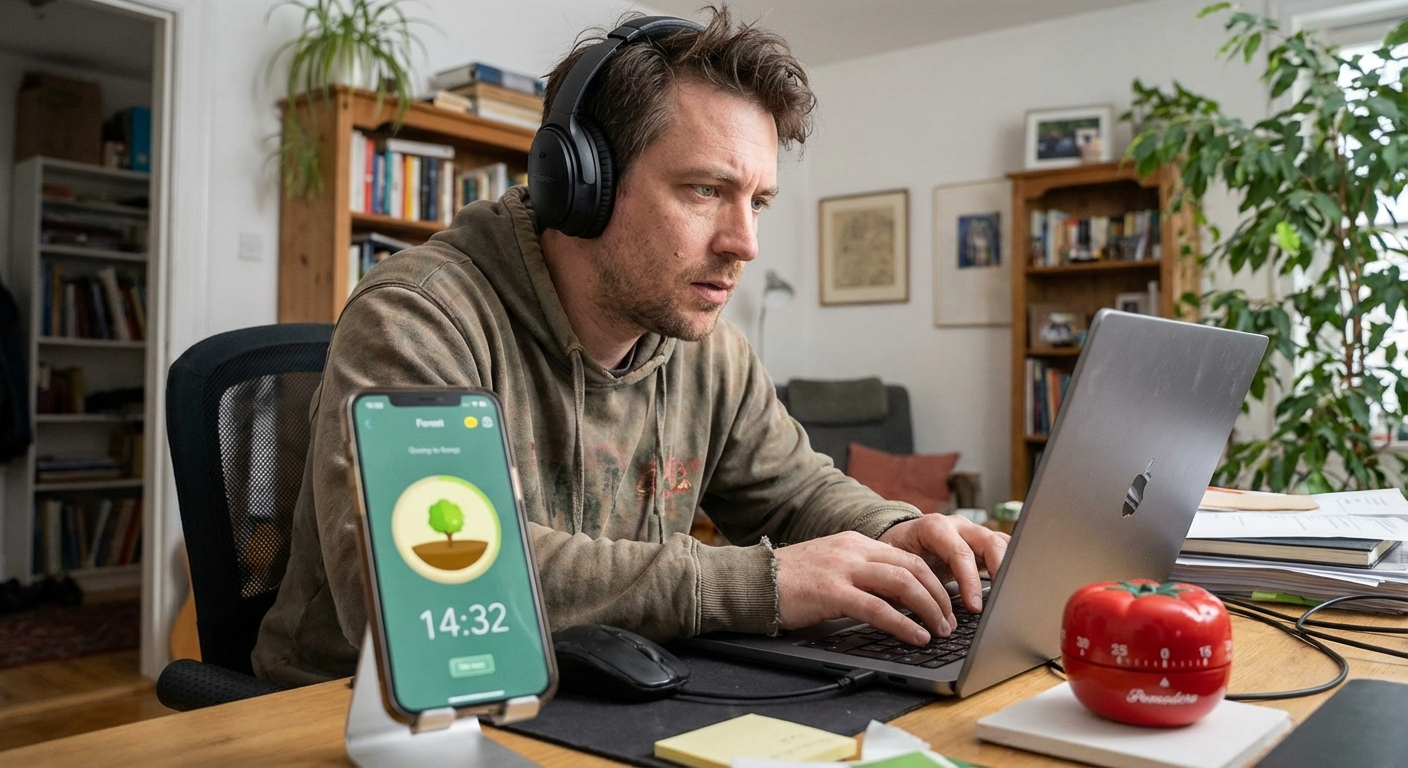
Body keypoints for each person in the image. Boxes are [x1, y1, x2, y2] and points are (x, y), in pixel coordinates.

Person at [252, 6, 1009, 688]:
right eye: (706, 191)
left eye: (759, 201)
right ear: (583, 182)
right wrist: (756, 584)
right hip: (364, 714)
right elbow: (437, 585)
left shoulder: (709, 350)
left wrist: (895, 530)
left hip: (603, 689)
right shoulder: (419, 320)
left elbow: (797, 491)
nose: (744, 243)